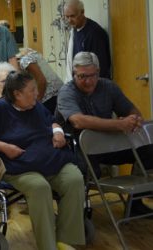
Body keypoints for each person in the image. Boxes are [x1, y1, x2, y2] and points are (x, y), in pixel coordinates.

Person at [0, 70, 85, 250]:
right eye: (32, 90)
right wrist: (4, 147)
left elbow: (52, 121)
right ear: (17, 94)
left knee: (75, 179)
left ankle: (65, 241)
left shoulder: (36, 106)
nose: (37, 93)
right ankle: (48, 246)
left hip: (51, 159)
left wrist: (57, 132)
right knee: (39, 187)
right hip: (19, 166)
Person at [57, 51, 153, 217]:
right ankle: (80, 211)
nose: (88, 81)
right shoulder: (67, 92)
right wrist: (119, 124)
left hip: (108, 144)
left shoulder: (108, 86)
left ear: (98, 72)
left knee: (148, 151)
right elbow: (78, 121)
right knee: (85, 169)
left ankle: (135, 203)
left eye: (92, 75)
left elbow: (131, 110)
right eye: (82, 76)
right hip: (80, 147)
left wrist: (134, 119)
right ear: (74, 75)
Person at [64, 0, 111, 82]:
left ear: (82, 12)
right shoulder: (74, 30)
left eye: (72, 16)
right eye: (67, 17)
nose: (69, 20)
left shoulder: (94, 33)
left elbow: (101, 68)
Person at [18, 48, 64, 114]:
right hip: (58, 92)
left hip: (51, 96)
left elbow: (42, 81)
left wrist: (37, 103)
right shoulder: (32, 54)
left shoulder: (24, 60)